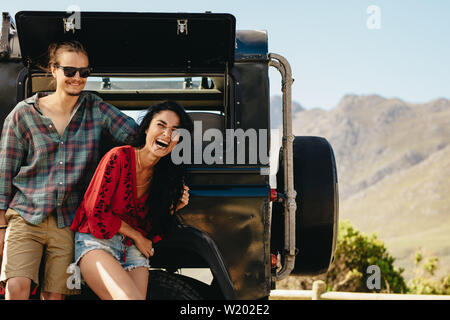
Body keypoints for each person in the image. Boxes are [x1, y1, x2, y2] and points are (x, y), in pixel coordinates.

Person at [0, 41, 138, 300]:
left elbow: (136, 136)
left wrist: (169, 143)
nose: (77, 78)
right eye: (70, 71)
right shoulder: (23, 114)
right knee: (16, 287)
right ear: (53, 70)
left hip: (69, 220)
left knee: (55, 295)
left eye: (84, 72)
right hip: (25, 215)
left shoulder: (95, 108)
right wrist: (0, 228)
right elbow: (4, 173)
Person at [70, 100, 194, 300]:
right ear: (146, 129)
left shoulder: (167, 177)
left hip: (133, 252)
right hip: (97, 242)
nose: (167, 135)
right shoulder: (118, 157)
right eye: (161, 125)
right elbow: (96, 212)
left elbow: (151, 228)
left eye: (175, 130)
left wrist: (174, 207)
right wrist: (136, 236)